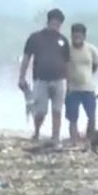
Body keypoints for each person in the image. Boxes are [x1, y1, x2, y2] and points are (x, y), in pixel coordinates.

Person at [18, 8, 72, 141]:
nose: (56, 26)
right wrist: (22, 77)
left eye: (58, 24)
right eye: (54, 23)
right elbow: (26, 58)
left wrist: (69, 83)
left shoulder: (63, 41)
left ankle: (55, 136)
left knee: (57, 110)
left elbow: (67, 63)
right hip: (41, 80)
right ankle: (36, 132)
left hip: (60, 80)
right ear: (48, 22)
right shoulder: (35, 38)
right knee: (41, 110)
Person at [64, 23, 98, 140]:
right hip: (72, 89)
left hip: (88, 89)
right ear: (71, 36)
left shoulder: (92, 50)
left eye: (79, 36)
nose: (77, 38)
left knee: (91, 116)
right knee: (72, 118)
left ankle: (90, 139)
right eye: (75, 36)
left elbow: (95, 66)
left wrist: (87, 76)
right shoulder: (66, 50)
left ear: (84, 36)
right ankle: (74, 140)